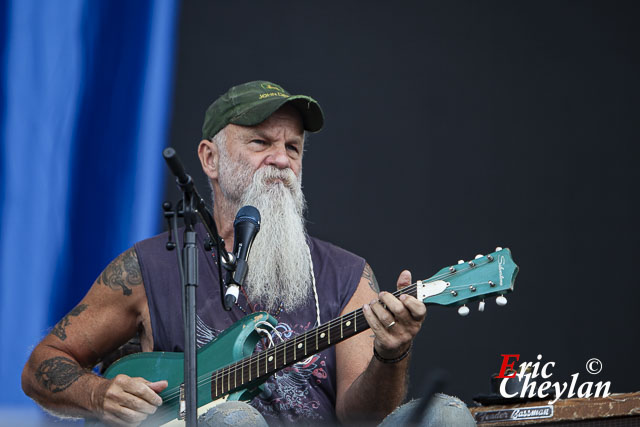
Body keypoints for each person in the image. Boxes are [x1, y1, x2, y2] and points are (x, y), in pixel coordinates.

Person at [22, 81, 474, 426]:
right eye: (261, 142)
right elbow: (43, 364)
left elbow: (363, 420)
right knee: (233, 420)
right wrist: (100, 395)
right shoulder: (150, 267)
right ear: (210, 158)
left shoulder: (347, 275)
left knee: (448, 414)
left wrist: (391, 353)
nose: (281, 159)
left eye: (292, 147)